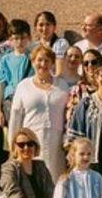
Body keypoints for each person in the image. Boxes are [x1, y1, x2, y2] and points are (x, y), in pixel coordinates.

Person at [8, 43, 68, 179]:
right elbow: (15, 116)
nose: (43, 64)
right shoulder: (23, 86)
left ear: (53, 63)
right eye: (39, 60)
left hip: (56, 141)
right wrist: (13, 144)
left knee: (55, 178)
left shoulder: (62, 86)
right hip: (30, 141)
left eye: (47, 60)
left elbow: (68, 116)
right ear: (33, 62)